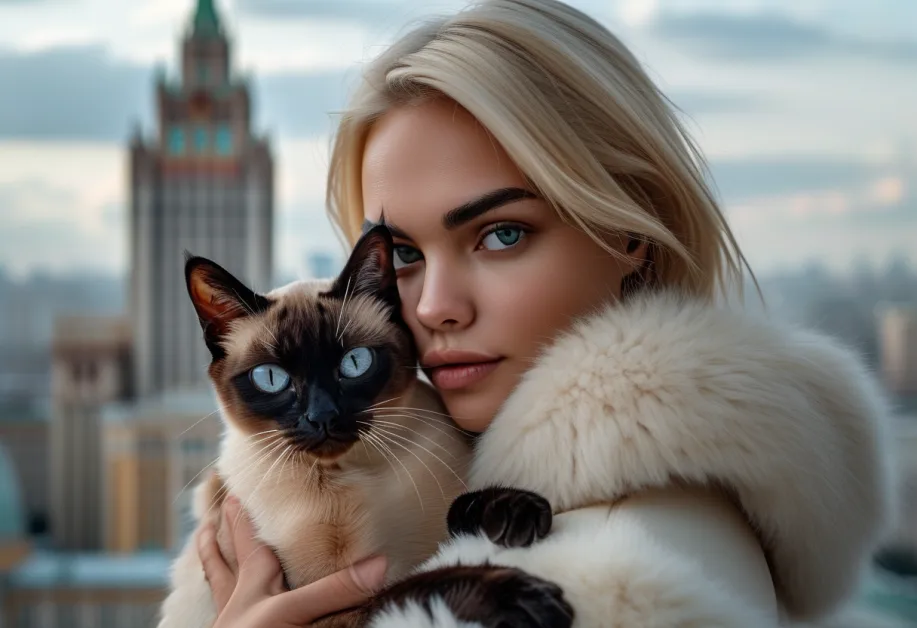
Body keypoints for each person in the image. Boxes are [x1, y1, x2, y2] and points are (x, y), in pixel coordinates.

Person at [195, 0, 895, 625]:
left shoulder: (593, 583)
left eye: (501, 234)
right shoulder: (510, 493)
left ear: (631, 232)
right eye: (401, 254)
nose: (436, 307)